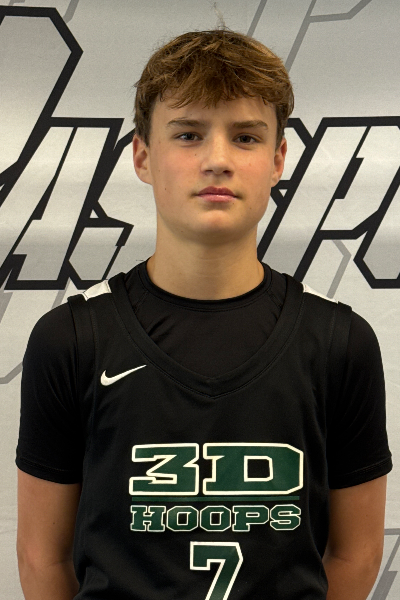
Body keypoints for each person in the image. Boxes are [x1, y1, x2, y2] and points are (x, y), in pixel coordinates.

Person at [16, 27, 392, 600]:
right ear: (143, 156)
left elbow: (356, 553)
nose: (217, 160)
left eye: (245, 137)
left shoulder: (340, 342)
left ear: (278, 159)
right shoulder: (71, 339)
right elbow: (42, 557)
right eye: (189, 134)